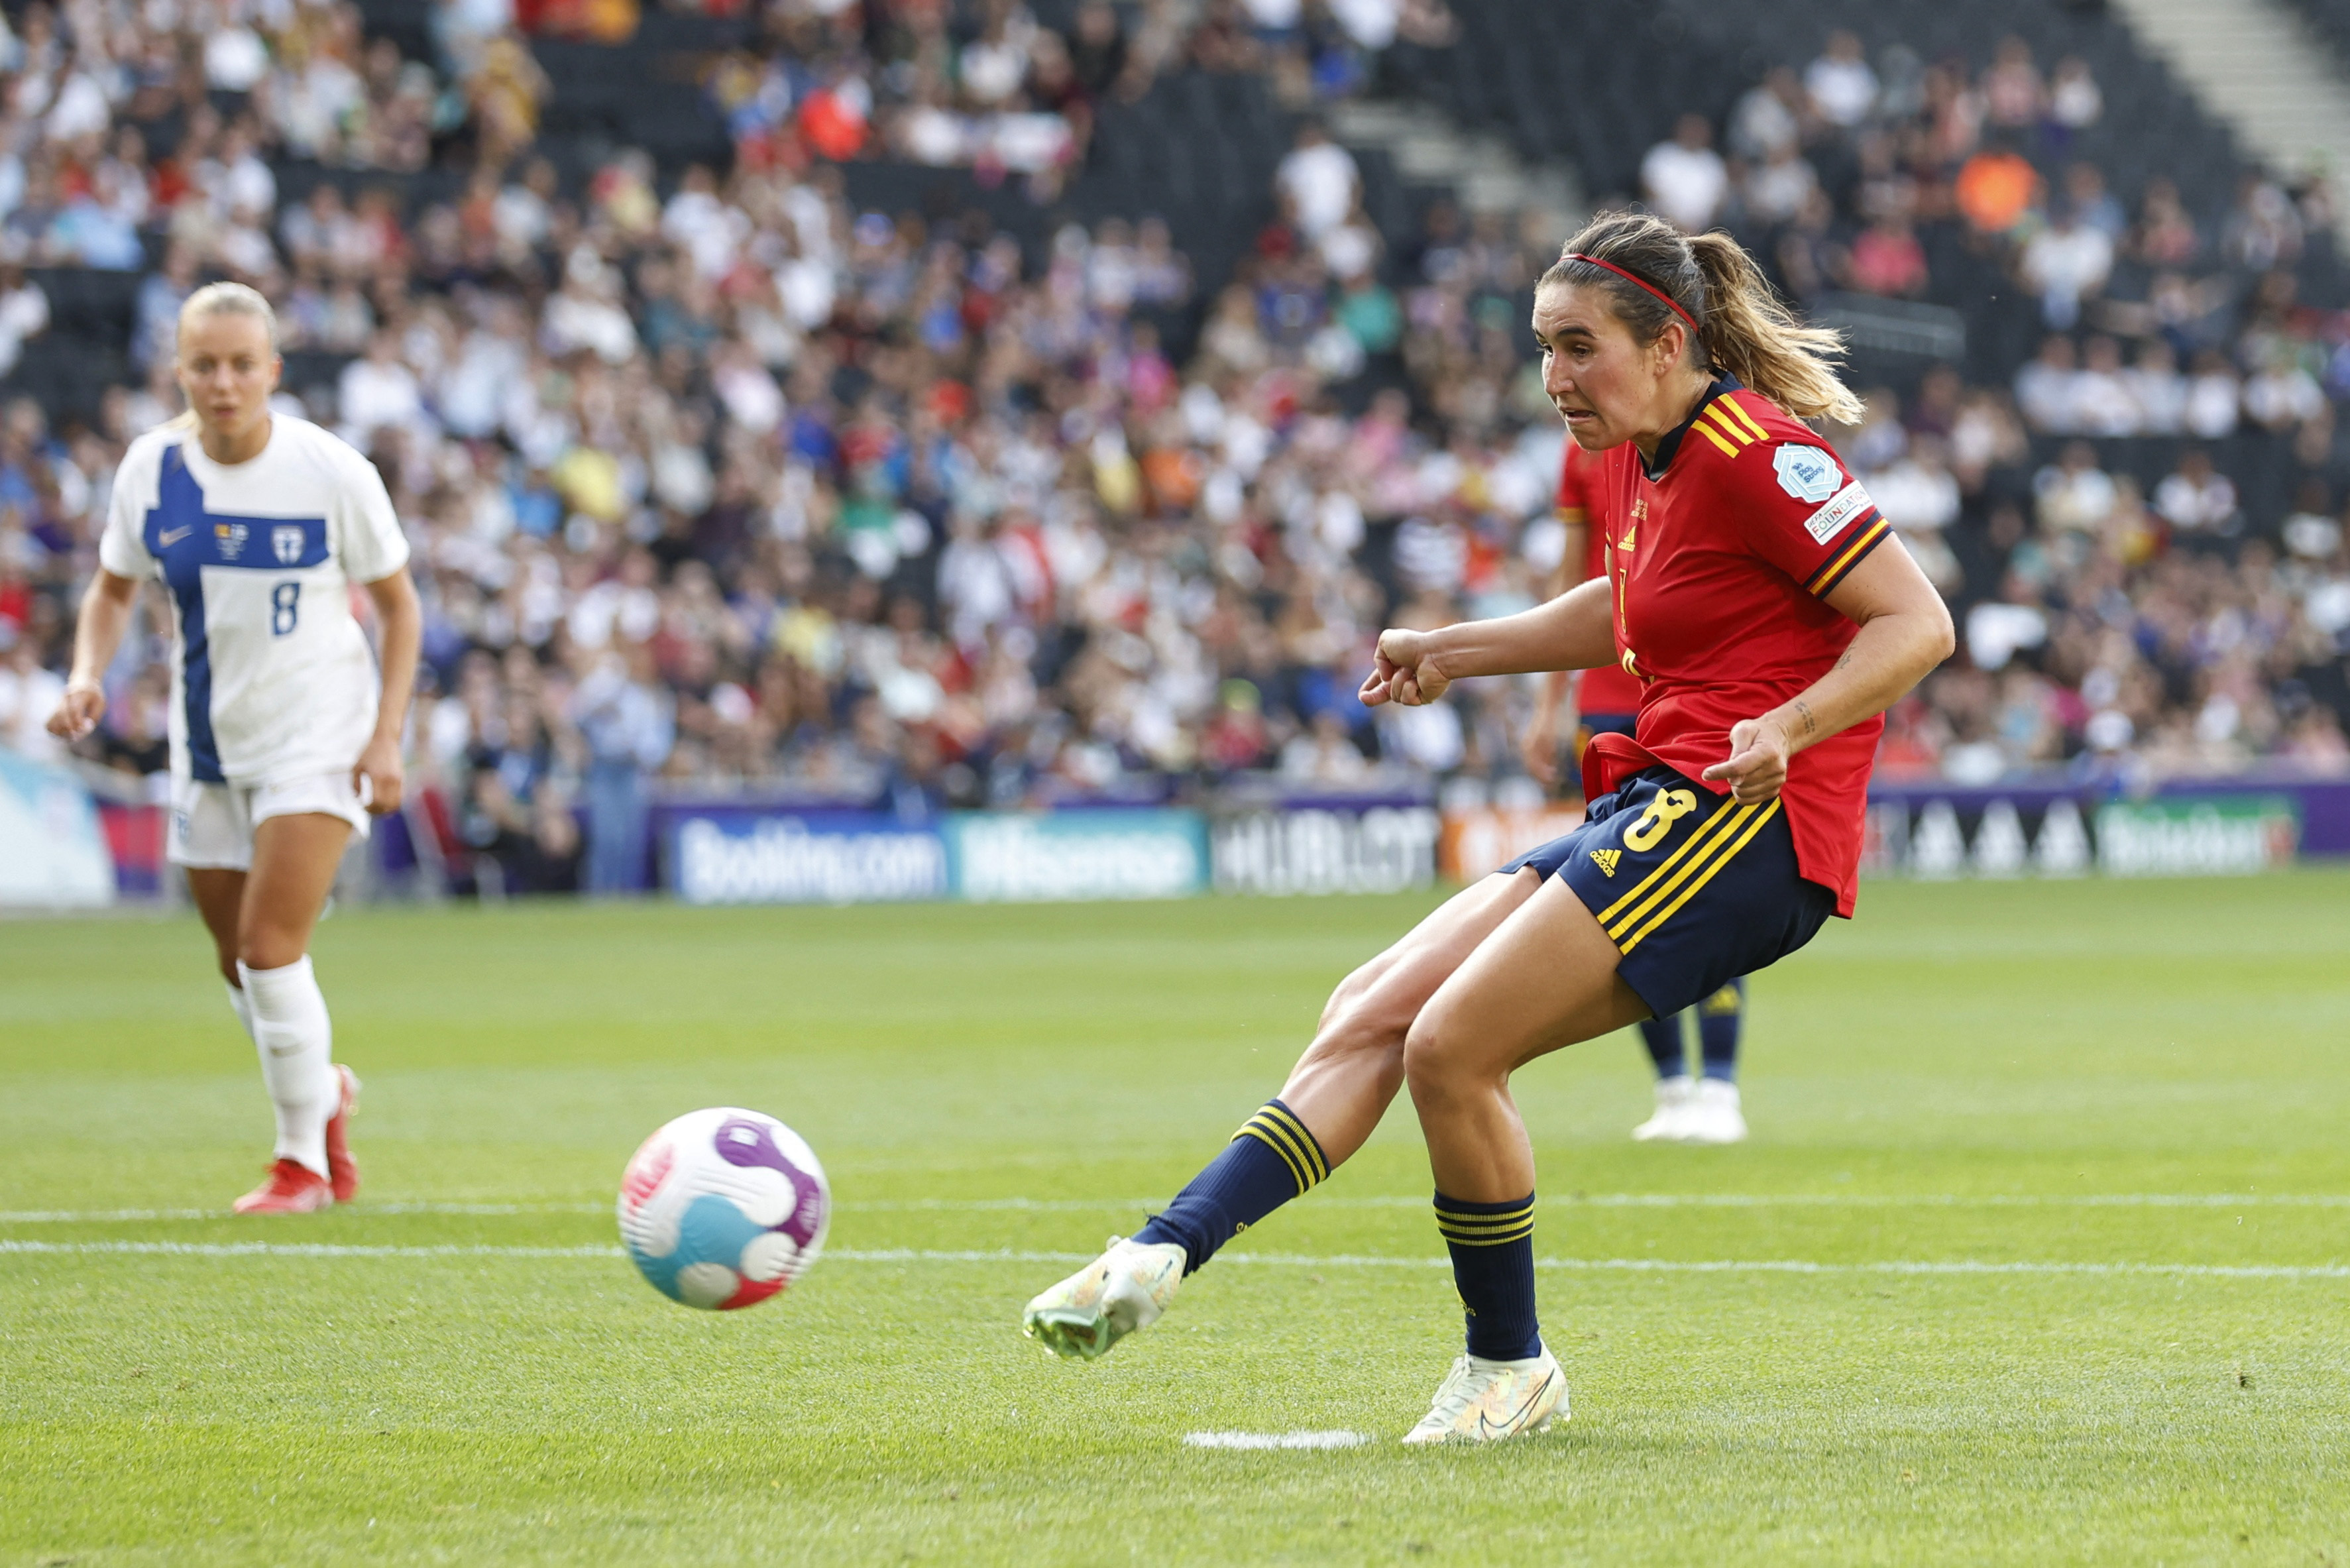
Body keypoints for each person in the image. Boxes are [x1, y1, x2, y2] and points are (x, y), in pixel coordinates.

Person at [1020, 211, 1952, 1443]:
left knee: (1452, 1051)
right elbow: (1627, 605)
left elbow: (1917, 622)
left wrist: (1794, 722)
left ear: (1667, 342)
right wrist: (1456, 651)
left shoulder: (1757, 452)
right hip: (1659, 799)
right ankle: (1154, 1254)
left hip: (1748, 824)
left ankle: (1508, 1367)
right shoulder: (1633, 448)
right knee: (1374, 1006)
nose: (1555, 377)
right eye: (1543, 349)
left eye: (1579, 348)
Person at [47, 282, 420, 1215]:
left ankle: (302, 1164)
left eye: (242, 365)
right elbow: (111, 589)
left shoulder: (330, 471)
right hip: (209, 744)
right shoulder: (152, 469)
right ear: (178, 370)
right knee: (236, 965)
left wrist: (385, 735)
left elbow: (400, 604)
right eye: (204, 365)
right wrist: (87, 672)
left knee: (268, 947)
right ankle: (323, 1091)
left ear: (273, 373)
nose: (223, 382)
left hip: (318, 735)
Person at [1523, 441, 1750, 1146]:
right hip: (1608, 702)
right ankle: (1672, 1085)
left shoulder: (1708, 440)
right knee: (1614, 891)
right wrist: (1546, 704)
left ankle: (1719, 1082)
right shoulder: (1580, 453)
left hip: (1691, 694)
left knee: (1713, 886)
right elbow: (1572, 586)